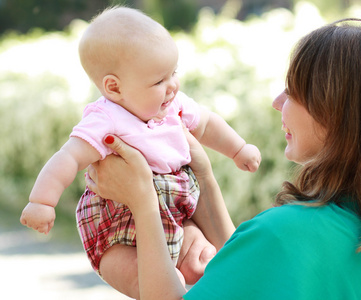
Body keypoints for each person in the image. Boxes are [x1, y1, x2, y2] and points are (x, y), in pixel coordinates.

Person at [86, 18, 361, 299]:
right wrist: (204, 176)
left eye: (294, 90)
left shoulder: (286, 234)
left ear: (338, 113)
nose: (278, 101)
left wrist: (143, 201)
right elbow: (248, 276)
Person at [19, 6, 260, 298]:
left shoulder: (173, 106)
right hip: (117, 228)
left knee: (203, 260)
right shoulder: (105, 119)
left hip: (176, 214)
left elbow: (208, 124)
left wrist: (238, 150)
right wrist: (42, 201)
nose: (172, 86)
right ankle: (161, 280)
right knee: (143, 279)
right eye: (158, 81)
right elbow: (68, 157)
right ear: (114, 87)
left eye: (173, 73)